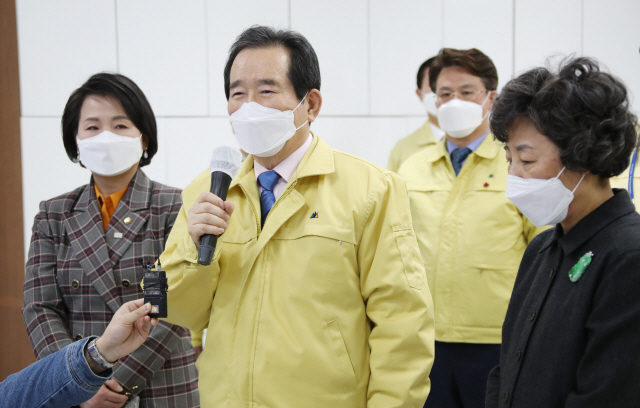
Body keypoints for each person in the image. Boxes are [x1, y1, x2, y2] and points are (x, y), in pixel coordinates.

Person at [160, 25, 435, 408]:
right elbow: (182, 312)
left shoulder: (372, 190)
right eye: (237, 93)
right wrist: (192, 249)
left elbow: (403, 322)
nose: (248, 106)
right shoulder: (206, 192)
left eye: (266, 90)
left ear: (311, 104)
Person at [22, 73, 199, 407]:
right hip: (79, 387)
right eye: (92, 127)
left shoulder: (174, 206)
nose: (106, 136)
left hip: (159, 385)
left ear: (144, 138)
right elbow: (40, 307)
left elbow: (174, 304)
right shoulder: (53, 214)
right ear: (75, 140)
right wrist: (78, 380)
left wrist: (117, 381)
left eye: (120, 126)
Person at [485, 57, 640, 407]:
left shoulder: (628, 256)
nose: (514, 177)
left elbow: (608, 393)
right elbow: (507, 364)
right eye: (509, 160)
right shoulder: (543, 248)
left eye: (526, 161)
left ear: (583, 155)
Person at [397, 48, 546, 408]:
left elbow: (543, 250)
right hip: (424, 338)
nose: (454, 101)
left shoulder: (518, 165)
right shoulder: (412, 167)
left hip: (498, 339)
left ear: (490, 98)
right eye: (445, 93)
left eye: (467, 92)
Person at [2, 300, 158, 407]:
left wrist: (103, 351)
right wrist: (82, 390)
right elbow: (38, 306)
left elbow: (10, 398)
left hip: (154, 380)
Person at [388, 57, 445, 172]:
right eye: (433, 85)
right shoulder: (403, 150)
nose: (442, 92)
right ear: (419, 94)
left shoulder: (489, 143)